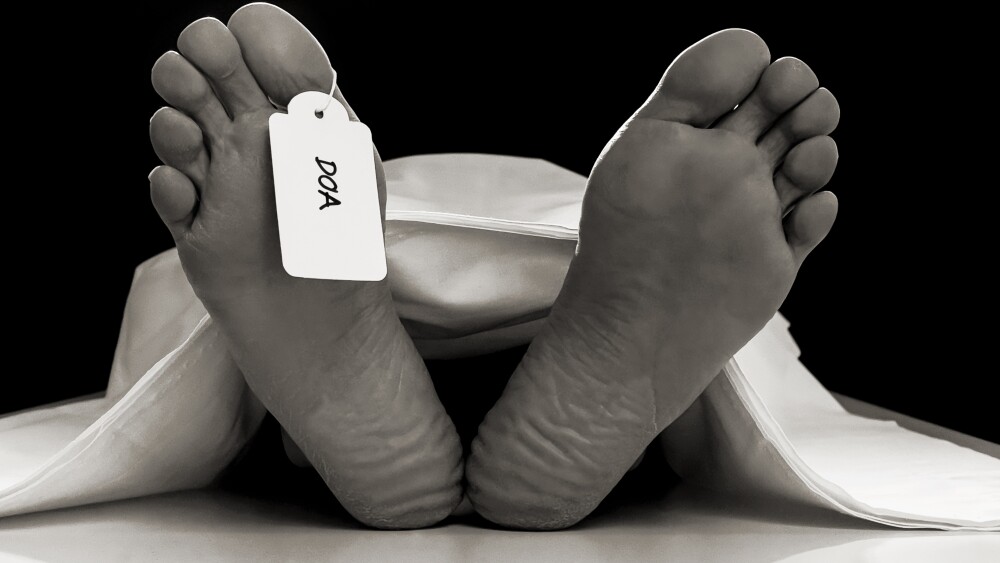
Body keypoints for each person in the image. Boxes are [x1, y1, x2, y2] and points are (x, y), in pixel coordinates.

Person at [148, 3, 839, 530]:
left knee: (233, 340)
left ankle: (303, 427)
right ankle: (640, 445)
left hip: (354, 293)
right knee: (700, 377)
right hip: (554, 280)